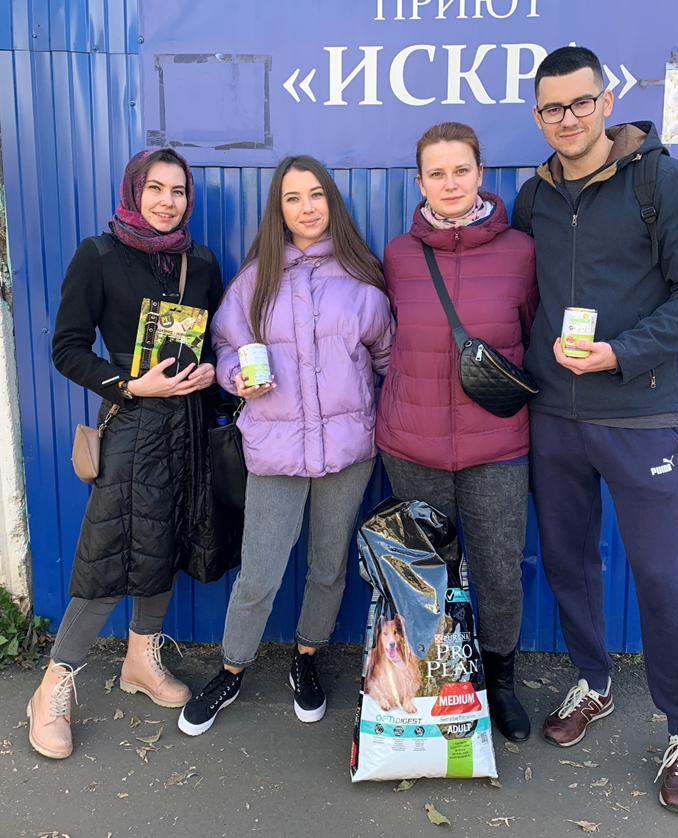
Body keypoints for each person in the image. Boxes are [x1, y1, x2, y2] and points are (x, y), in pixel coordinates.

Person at [511, 46, 678, 814]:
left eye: (580, 102)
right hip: (552, 415)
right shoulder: (532, 197)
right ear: (537, 116)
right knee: (566, 561)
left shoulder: (659, 182)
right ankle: (593, 679)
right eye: (551, 107)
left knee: (657, 574)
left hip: (636, 414)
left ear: (605, 102)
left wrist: (620, 354)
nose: (566, 118)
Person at [178, 155, 394, 734]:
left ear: (332, 202)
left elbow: (386, 358)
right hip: (274, 449)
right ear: (279, 209)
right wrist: (235, 377)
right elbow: (225, 348)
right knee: (260, 572)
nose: (307, 207)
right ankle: (231, 669)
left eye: (316, 194)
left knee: (328, 565)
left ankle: (306, 657)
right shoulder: (255, 279)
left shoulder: (362, 278)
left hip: (347, 450)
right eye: (293, 197)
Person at [29, 148, 225, 759]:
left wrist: (211, 373)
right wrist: (131, 385)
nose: (168, 201)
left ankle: (141, 659)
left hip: (186, 425)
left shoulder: (200, 261)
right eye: (156, 188)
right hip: (132, 426)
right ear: (134, 191)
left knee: (164, 540)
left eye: (179, 191)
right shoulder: (99, 254)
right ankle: (52, 686)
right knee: (110, 552)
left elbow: (213, 340)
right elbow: (66, 348)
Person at [375, 122, 539, 742]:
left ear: (480, 174)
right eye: (437, 173)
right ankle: (437, 684)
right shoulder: (397, 255)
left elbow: (532, 335)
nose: (450, 183)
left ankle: (500, 681)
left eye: (461, 170)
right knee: (426, 576)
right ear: (420, 182)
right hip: (412, 443)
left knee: (498, 569)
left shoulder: (521, 252)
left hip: (497, 445)